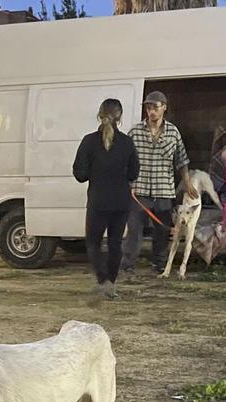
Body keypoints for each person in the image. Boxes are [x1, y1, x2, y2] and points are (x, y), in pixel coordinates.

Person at [122, 91, 199, 276]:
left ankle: (160, 264)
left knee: (162, 231)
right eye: (148, 108)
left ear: (164, 107)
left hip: (164, 189)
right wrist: (126, 183)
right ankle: (127, 265)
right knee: (134, 230)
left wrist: (187, 183)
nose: (151, 111)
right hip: (139, 190)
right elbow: (124, 160)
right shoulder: (135, 132)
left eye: (155, 107)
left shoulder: (173, 132)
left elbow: (182, 160)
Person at [73, 98, 139, 299]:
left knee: (93, 242)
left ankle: (102, 280)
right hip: (121, 202)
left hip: (98, 201)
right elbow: (134, 173)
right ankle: (111, 281)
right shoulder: (127, 143)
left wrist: (95, 171)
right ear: (120, 117)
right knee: (115, 243)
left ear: (100, 115)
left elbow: (80, 174)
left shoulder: (89, 141)